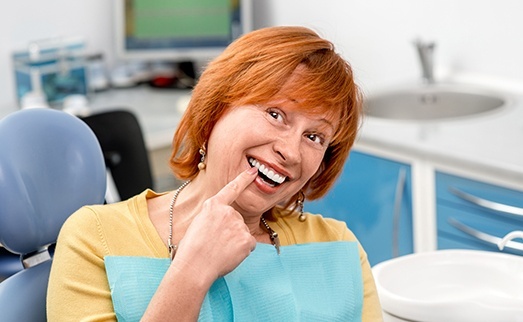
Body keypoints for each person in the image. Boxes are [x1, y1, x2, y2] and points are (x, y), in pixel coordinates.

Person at [47, 26, 383, 321]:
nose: (291, 152)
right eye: (275, 114)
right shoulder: (93, 238)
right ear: (214, 113)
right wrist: (192, 272)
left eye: (314, 137)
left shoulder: (338, 248)